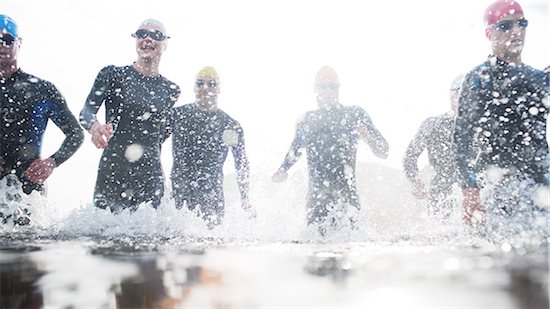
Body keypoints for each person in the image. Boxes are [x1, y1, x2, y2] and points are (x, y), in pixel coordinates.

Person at [453, 0, 548, 235]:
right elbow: (461, 141)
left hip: (542, 189)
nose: (516, 31)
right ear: (489, 32)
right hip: (501, 189)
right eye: (505, 26)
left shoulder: (539, 80)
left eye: (521, 24)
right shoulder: (480, 79)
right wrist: (470, 190)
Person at [272, 66, 389, 235]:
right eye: (323, 87)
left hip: (347, 198)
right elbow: (295, 150)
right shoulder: (307, 120)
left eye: (332, 87)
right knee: (314, 255)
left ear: (339, 88)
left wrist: (368, 139)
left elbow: (384, 151)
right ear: (315, 89)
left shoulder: (354, 114)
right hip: (317, 201)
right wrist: (283, 169)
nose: (328, 91)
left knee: (347, 254)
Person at [79, 19, 180, 212]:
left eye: (156, 35)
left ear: (165, 44)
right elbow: (87, 111)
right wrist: (95, 127)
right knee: (103, 235)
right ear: (135, 39)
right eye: (142, 33)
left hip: (150, 174)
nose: (148, 38)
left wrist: (162, 175)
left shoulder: (171, 90)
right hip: (114, 168)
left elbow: (158, 137)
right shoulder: (113, 75)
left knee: (152, 238)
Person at [0, 14, 83, 196]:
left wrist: (52, 162)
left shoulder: (41, 89)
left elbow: (75, 134)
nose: (2, 45)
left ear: (18, 43)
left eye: (7, 39)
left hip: (28, 193)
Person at [167, 66, 254, 228]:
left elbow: (241, 163)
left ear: (219, 89)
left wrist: (245, 198)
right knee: (175, 247)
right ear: (194, 88)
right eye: (200, 83)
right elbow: (153, 142)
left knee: (210, 247)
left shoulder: (230, 125)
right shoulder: (177, 115)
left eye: (211, 84)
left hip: (211, 197)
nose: (205, 88)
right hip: (180, 193)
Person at [403, 74, 463, 218]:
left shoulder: (482, 126)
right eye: (460, 93)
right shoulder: (433, 124)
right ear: (452, 96)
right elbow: (410, 155)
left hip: (473, 193)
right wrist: (415, 180)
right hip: (441, 196)